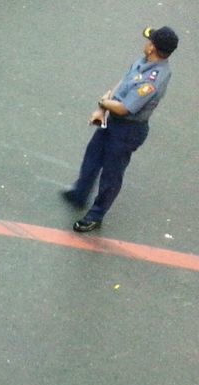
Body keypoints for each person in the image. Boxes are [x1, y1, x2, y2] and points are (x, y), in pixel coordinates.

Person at [65, 26, 178, 233]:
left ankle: (96, 215)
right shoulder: (144, 61)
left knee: (111, 174)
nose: (146, 42)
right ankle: (80, 193)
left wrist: (102, 103)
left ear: (152, 47)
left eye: (149, 40)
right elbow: (123, 83)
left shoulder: (153, 80)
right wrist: (102, 109)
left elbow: (125, 108)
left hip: (128, 131)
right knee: (92, 156)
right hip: (115, 122)